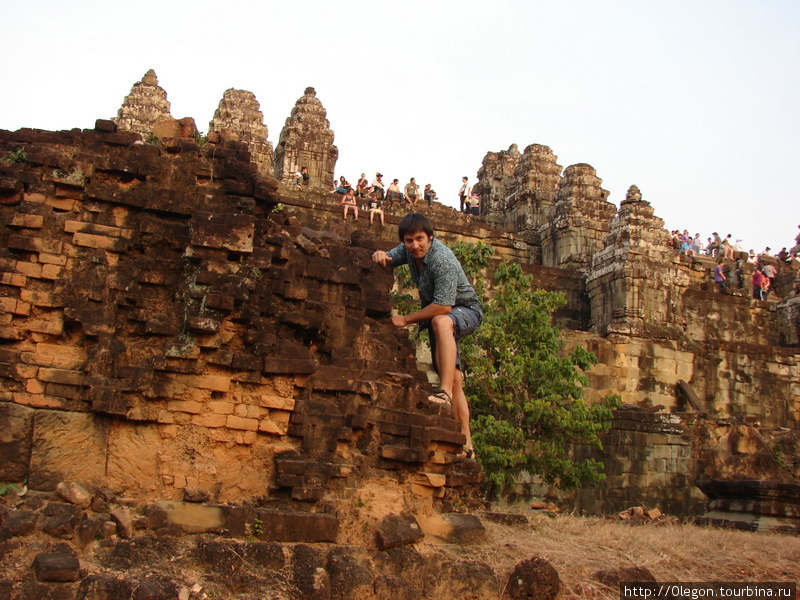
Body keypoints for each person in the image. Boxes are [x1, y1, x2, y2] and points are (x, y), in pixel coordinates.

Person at [372, 213, 483, 459]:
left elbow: (443, 307)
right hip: (440, 323)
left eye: (420, 239)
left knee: (441, 320)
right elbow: (389, 258)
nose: (415, 245)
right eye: (409, 240)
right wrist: (379, 255)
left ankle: (442, 392)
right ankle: (467, 445)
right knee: (455, 379)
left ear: (430, 237)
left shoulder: (441, 258)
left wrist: (405, 319)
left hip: (465, 311)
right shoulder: (409, 251)